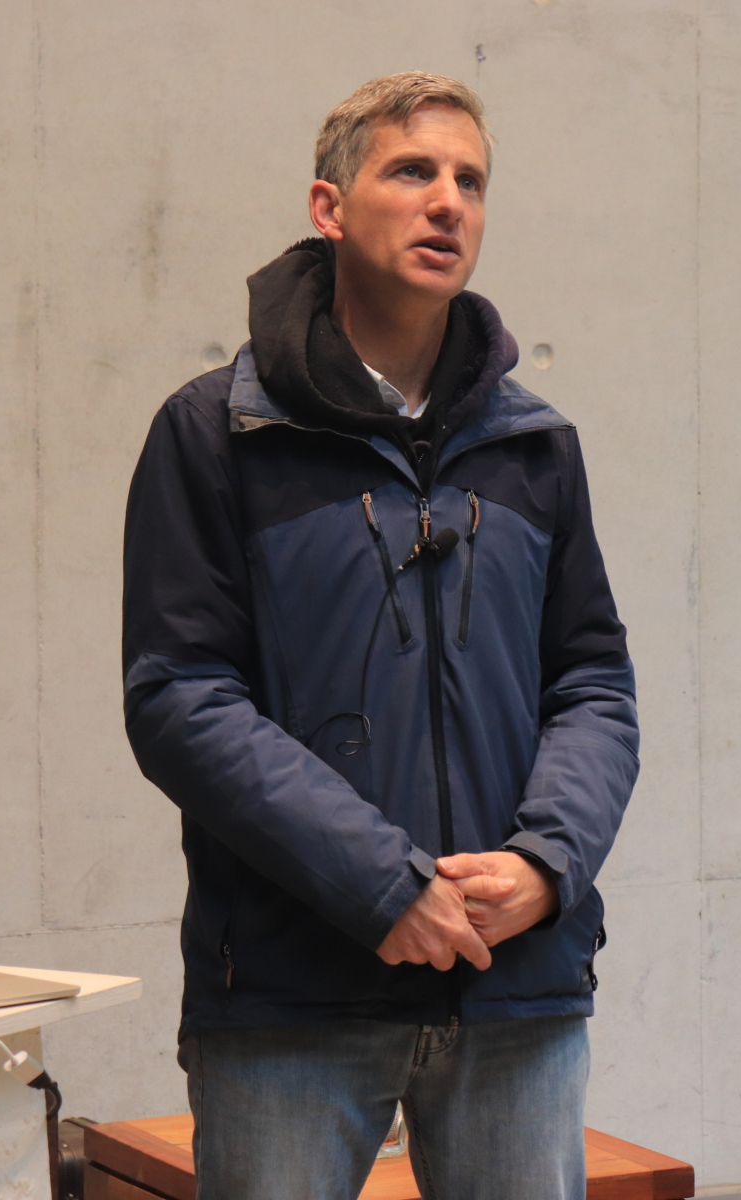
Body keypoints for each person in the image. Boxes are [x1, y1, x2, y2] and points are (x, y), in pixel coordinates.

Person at [122, 71, 638, 1200]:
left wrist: (547, 865)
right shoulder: (217, 434)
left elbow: (594, 683)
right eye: (412, 171)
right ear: (330, 207)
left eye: (471, 181)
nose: (448, 201)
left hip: (515, 987)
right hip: (292, 993)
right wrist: (381, 884)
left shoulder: (536, 446)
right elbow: (180, 699)